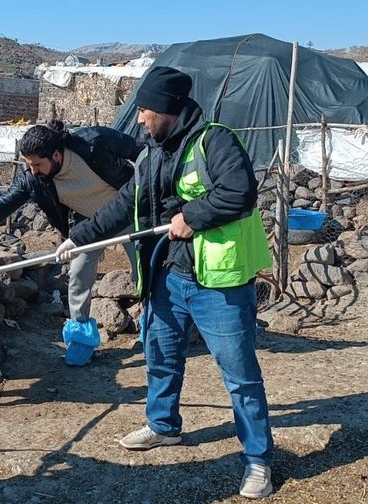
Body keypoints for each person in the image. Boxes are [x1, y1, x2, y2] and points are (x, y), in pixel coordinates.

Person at [55, 67, 275, 499]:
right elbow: (123, 205)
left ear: (169, 109)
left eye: (145, 110)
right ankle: (163, 426)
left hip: (218, 281)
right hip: (167, 274)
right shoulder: (151, 152)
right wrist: (77, 238)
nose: (139, 119)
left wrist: (191, 218)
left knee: (240, 374)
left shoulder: (216, 141)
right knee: (160, 353)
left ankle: (258, 460)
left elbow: (240, 192)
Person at [0, 120, 142, 363]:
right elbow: (4, 203)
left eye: (38, 164)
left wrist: (150, 191)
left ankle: (153, 331)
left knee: (144, 272)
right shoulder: (34, 179)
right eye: (29, 164)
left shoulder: (94, 142)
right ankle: (81, 340)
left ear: (56, 155)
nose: (33, 170)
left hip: (129, 213)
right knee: (78, 277)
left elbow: (142, 152)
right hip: (88, 226)